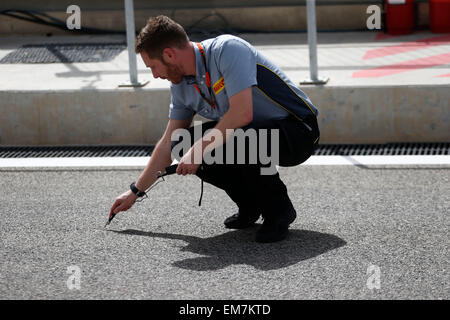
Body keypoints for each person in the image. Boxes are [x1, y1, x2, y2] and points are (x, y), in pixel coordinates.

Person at [109, 15, 320, 243]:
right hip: (256, 135)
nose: (155, 75)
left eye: (153, 67)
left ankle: (279, 211)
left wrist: (200, 148)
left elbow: (242, 114)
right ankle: (251, 204)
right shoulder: (180, 86)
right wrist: (135, 191)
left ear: (169, 54)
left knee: (239, 138)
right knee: (182, 142)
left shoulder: (227, 50)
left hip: (299, 131)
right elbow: (169, 141)